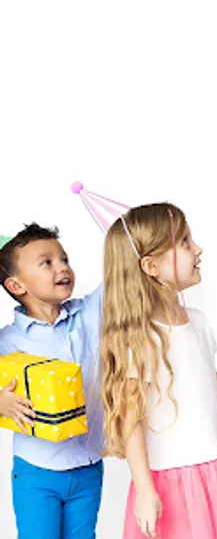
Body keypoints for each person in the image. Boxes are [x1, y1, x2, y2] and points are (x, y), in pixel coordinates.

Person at [100, 201, 217, 539]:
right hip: (175, 478)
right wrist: (145, 488)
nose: (198, 249)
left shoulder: (198, 321)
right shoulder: (140, 337)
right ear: (150, 266)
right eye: (185, 242)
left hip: (216, 464)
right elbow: (130, 416)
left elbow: (209, 377)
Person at [0, 225, 104, 539]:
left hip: (88, 466)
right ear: (16, 285)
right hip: (36, 471)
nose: (62, 267)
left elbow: (121, 280)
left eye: (64, 259)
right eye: (46, 262)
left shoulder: (89, 314)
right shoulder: (7, 341)